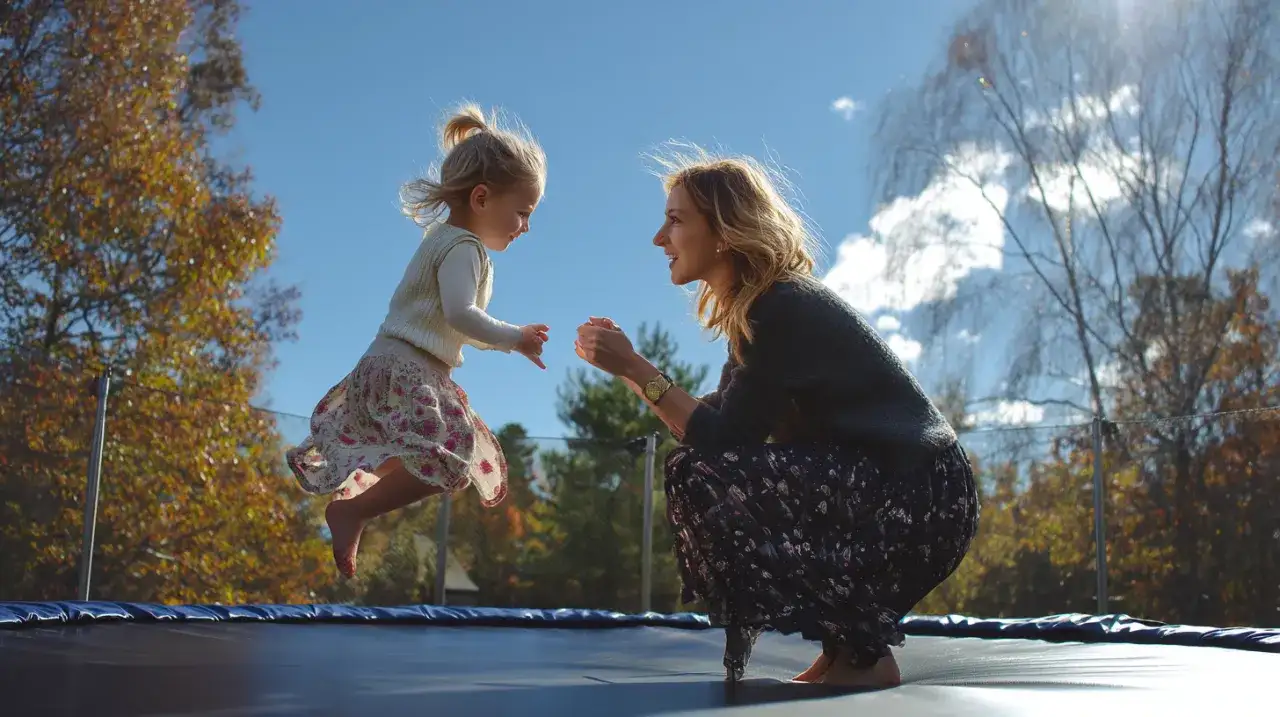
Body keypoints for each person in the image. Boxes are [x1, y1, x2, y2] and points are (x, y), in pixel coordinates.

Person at [573, 148, 979, 688]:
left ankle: (863, 653)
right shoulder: (761, 310)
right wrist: (626, 371)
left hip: (921, 494)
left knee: (701, 474)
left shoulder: (778, 307)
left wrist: (633, 364)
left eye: (674, 220)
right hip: (895, 484)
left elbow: (722, 444)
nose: (658, 238)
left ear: (723, 231)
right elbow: (708, 422)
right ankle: (848, 647)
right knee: (698, 465)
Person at [287, 103, 551, 579]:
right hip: (409, 371)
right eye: (523, 212)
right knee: (451, 456)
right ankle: (354, 510)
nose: (525, 226)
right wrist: (515, 337)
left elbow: (460, 324)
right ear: (483, 198)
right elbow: (462, 315)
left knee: (426, 454)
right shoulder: (464, 249)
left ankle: (358, 498)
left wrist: (508, 341)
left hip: (387, 365)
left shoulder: (440, 238)